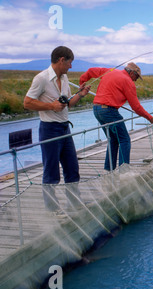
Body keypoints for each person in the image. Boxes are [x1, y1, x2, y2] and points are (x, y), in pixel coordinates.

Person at [24, 46, 90, 212]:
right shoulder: (41, 78)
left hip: (65, 128)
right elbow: (27, 102)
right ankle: (52, 210)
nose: (71, 67)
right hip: (49, 129)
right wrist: (51, 106)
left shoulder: (65, 78)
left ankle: (75, 204)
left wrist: (80, 95)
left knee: (72, 169)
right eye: (70, 63)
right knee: (51, 171)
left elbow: (68, 104)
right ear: (62, 60)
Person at [79, 62, 153, 171]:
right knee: (124, 140)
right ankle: (124, 172)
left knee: (113, 140)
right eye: (136, 77)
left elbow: (91, 71)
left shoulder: (110, 70)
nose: (135, 80)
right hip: (109, 111)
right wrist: (151, 118)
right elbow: (136, 107)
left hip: (96, 109)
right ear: (132, 73)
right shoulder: (128, 82)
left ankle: (108, 170)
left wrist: (82, 81)